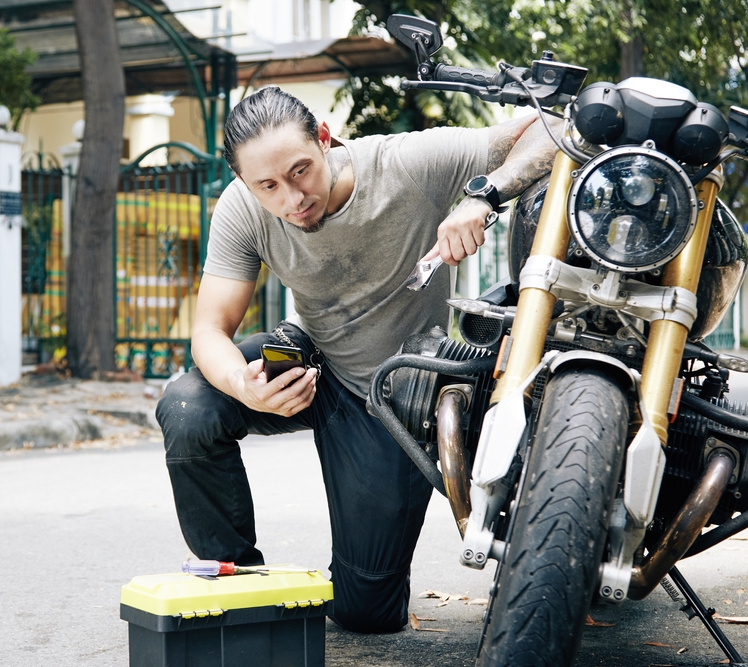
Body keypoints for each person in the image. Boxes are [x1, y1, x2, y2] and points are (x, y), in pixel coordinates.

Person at [156, 86, 557, 633]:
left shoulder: (407, 164)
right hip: (311, 359)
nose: (291, 198)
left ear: (325, 138)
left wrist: (483, 196)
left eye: (300, 171)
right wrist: (242, 385)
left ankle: (351, 586)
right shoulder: (243, 208)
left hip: (393, 394)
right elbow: (209, 330)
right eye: (267, 185)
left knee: (365, 613)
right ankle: (239, 593)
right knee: (187, 406)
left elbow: (552, 127)